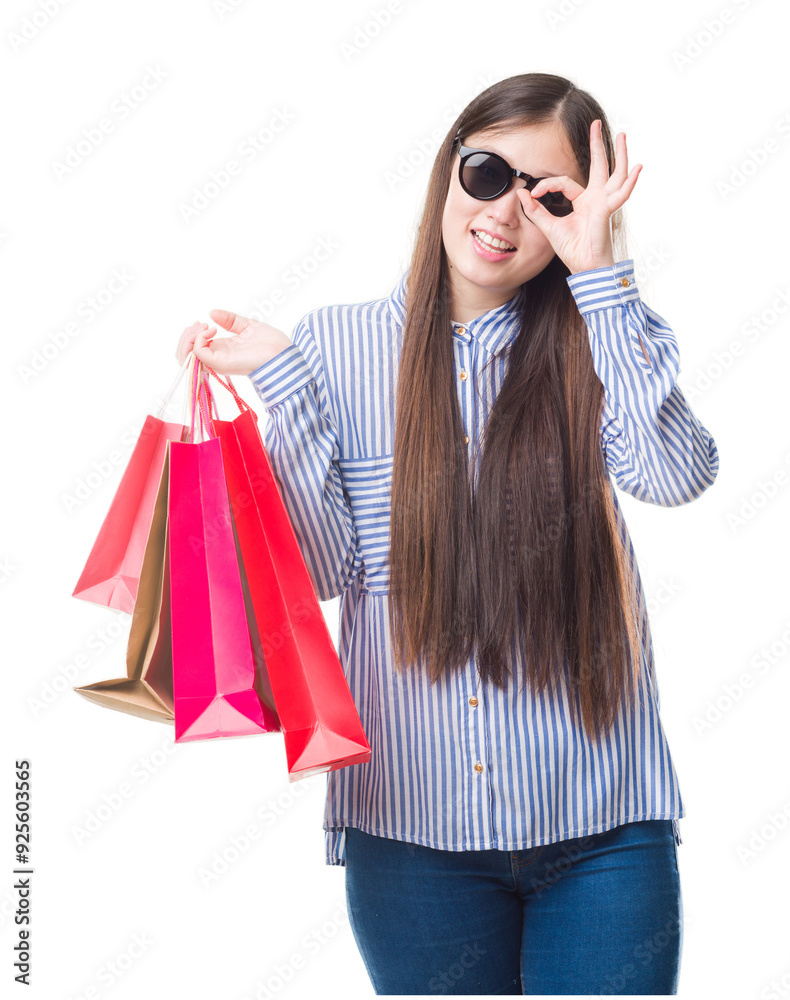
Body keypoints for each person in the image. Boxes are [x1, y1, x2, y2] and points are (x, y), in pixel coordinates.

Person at [175, 72, 719, 996]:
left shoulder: (601, 333)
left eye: (548, 197)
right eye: (487, 171)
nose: (506, 212)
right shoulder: (337, 348)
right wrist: (286, 383)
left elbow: (675, 475)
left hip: (603, 830)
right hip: (411, 832)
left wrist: (600, 277)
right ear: (446, 171)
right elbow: (323, 568)